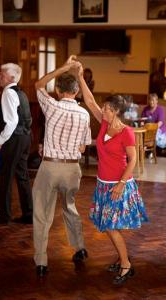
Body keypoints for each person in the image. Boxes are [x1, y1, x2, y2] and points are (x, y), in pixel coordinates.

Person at [75, 59, 148, 285]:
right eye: (104, 107)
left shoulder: (126, 132)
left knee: (111, 226)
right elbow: (88, 100)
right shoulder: (105, 124)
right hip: (103, 183)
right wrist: (79, 75)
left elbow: (133, 159)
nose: (103, 110)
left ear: (115, 111)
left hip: (119, 186)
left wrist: (121, 184)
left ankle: (126, 265)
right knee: (108, 225)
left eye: (106, 108)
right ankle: (122, 259)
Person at [32, 56, 92, 277]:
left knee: (42, 214)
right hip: (72, 169)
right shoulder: (84, 114)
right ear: (76, 91)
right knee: (70, 208)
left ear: (58, 89)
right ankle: (80, 248)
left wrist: (64, 68)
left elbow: (38, 85)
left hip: (50, 167)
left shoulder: (53, 107)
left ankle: (41, 261)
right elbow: (83, 148)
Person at [0, 63, 33, 224]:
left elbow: (12, 121)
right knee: (23, 176)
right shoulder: (21, 92)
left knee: (6, 176)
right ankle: (29, 214)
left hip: (14, 138)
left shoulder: (8, 92)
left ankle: (4, 216)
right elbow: (26, 118)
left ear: (12, 78)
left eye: (2, 74)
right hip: (26, 138)